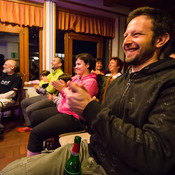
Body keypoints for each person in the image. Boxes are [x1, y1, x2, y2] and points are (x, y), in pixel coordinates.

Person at [1, 6, 175, 175]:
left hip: (115, 168)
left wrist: (89, 109)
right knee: (10, 170)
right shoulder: (119, 82)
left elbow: (157, 157)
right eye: (126, 35)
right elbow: (98, 128)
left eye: (136, 34)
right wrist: (83, 111)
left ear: (160, 40)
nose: (126, 41)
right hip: (92, 151)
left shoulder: (169, 82)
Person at [26, 53, 99, 156]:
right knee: (34, 116)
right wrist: (62, 90)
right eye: (75, 64)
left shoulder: (91, 82)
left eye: (79, 64)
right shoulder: (75, 78)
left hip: (75, 117)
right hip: (63, 109)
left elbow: (79, 102)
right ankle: (43, 145)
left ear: (87, 65)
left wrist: (63, 89)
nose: (76, 67)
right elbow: (65, 96)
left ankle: (32, 164)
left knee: (35, 133)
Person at [19, 57, 64, 131]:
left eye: (54, 61)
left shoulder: (60, 75)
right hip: (43, 95)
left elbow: (51, 89)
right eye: (52, 60)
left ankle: (33, 127)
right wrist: (47, 83)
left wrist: (45, 83)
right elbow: (41, 83)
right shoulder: (51, 74)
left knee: (29, 109)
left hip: (50, 97)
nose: (51, 62)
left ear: (60, 64)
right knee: (24, 102)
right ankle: (29, 125)